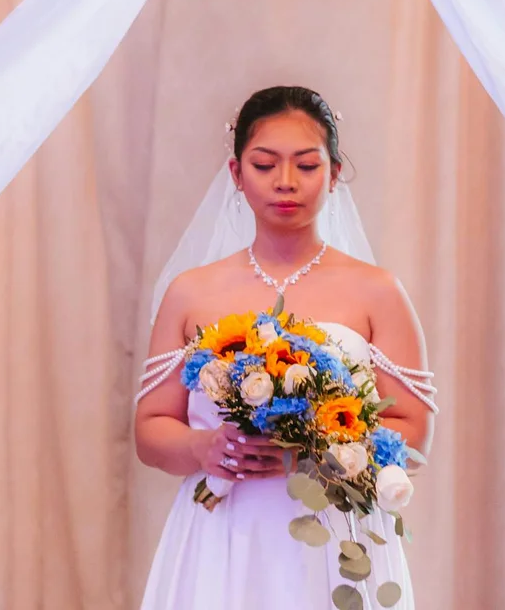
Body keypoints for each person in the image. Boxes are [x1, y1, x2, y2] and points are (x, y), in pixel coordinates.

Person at [133, 86, 437, 609]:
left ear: (334, 174)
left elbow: (413, 433)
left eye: (307, 165)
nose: (286, 181)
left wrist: (311, 455)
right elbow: (150, 428)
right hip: (222, 531)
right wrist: (204, 449)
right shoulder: (191, 292)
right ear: (236, 173)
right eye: (265, 164)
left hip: (335, 536)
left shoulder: (378, 291)